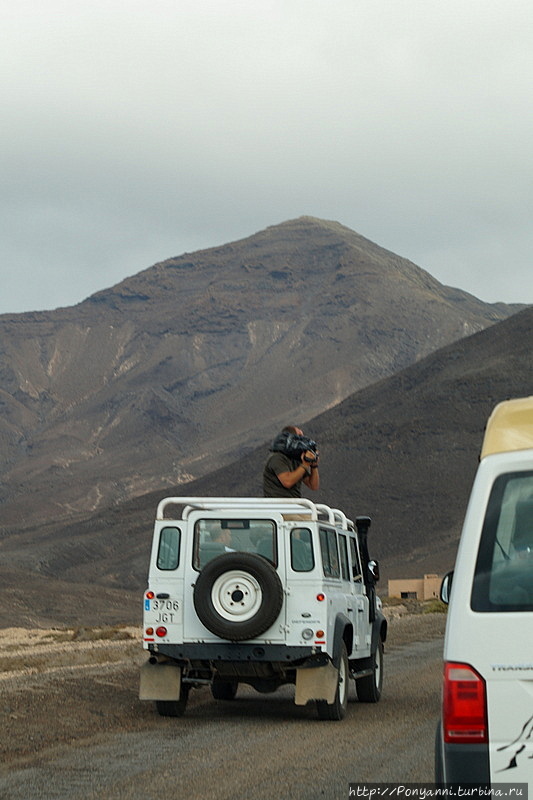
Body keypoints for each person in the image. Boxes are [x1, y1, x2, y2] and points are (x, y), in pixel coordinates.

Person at [263, 425, 320, 498]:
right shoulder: (277, 458)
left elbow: (313, 485)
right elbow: (287, 482)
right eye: (299, 436)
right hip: (277, 505)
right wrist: (305, 465)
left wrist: (313, 466)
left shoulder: (296, 460)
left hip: (293, 504)